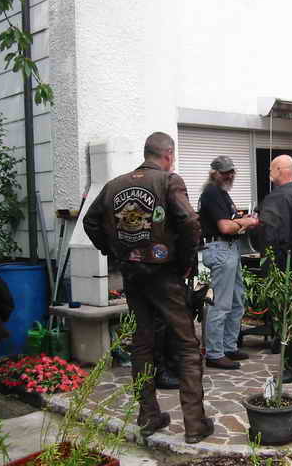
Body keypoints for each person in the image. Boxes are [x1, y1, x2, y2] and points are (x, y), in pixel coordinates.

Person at [83, 132, 213, 444]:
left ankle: (148, 415)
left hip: (133, 274)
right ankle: (194, 424)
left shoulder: (113, 185)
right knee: (186, 344)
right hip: (165, 274)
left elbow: (90, 222)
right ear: (168, 155)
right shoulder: (169, 181)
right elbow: (190, 221)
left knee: (142, 342)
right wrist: (186, 261)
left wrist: (115, 252)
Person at [199, 155, 259, 370]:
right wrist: (247, 222)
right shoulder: (212, 192)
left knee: (236, 300)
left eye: (232, 171)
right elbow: (225, 227)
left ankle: (228, 347)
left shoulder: (221, 193)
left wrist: (240, 222)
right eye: (225, 172)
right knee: (222, 304)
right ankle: (215, 353)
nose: (230, 175)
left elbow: (231, 223)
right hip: (220, 248)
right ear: (214, 173)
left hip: (229, 248)